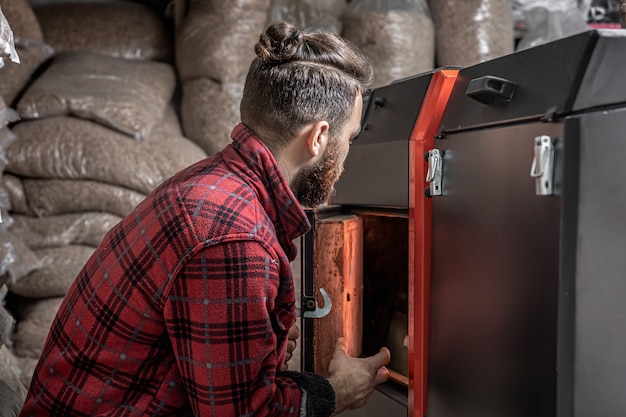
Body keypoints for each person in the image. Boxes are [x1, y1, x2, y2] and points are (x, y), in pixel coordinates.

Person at [19, 21, 390, 417]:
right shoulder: (235, 238)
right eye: (348, 138)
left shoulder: (212, 184)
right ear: (318, 137)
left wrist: (256, 346)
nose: (346, 158)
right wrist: (333, 392)